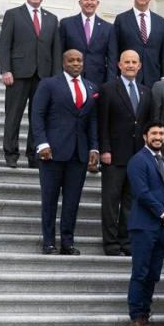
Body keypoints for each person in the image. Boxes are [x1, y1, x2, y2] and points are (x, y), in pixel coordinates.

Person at [31, 49, 100, 255]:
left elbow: (93, 120)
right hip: (52, 152)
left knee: (72, 201)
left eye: (79, 60)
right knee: (50, 199)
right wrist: (41, 144)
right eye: (71, 60)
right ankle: (49, 242)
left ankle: (67, 242)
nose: (76, 63)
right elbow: (37, 115)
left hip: (79, 153)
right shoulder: (49, 84)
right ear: (63, 63)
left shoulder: (91, 87)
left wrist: (94, 147)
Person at [0, 0, 62, 168]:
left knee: (38, 117)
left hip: (43, 77)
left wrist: (56, 77)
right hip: (18, 74)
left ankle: (34, 156)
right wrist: (5, 70)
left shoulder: (52, 19)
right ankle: (11, 154)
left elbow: (56, 51)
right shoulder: (13, 14)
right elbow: (4, 44)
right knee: (13, 116)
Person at [98, 49, 153, 256]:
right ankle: (111, 243)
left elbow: (146, 124)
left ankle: (126, 240)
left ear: (139, 66)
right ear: (119, 65)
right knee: (111, 201)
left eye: (134, 62)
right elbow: (102, 122)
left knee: (131, 201)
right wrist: (104, 149)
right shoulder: (108, 89)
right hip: (114, 155)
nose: (130, 65)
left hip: (137, 156)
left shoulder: (146, 91)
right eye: (126, 62)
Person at [126, 122, 164, 326]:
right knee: (141, 273)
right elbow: (141, 192)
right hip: (144, 226)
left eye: (161, 133)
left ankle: (145, 319)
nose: (158, 137)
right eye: (154, 133)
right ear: (145, 136)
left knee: (153, 274)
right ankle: (136, 320)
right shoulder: (138, 160)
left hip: (161, 228)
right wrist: (163, 213)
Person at [113, 0, 164, 88]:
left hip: (154, 77)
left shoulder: (160, 21)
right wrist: (114, 75)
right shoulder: (121, 19)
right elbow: (114, 50)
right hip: (128, 77)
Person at [59, 0, 115, 86]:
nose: (89, 2)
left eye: (92, 0)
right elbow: (59, 53)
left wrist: (110, 83)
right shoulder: (66, 24)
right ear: (80, 3)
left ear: (97, 3)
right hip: (70, 78)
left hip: (97, 80)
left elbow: (112, 58)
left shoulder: (108, 28)